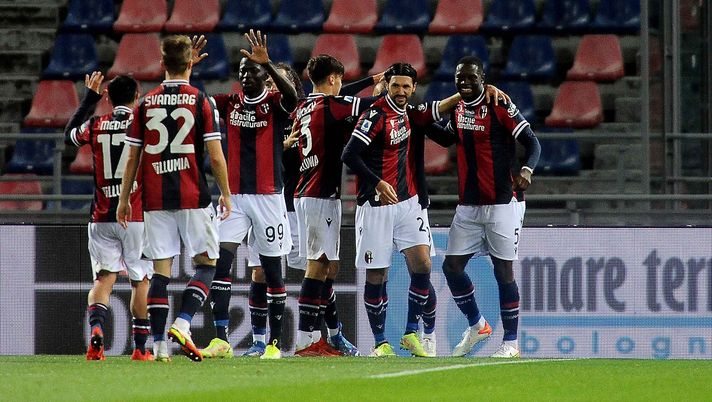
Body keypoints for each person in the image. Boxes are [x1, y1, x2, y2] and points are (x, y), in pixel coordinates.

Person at [116, 35, 231, 362]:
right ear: (191, 63)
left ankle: (159, 347)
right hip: (193, 195)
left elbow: (132, 158)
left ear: (162, 63)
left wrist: (124, 200)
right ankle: (182, 323)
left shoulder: (145, 103)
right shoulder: (200, 101)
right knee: (208, 263)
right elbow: (217, 157)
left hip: (154, 198)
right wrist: (226, 193)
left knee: (161, 272)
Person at [341, 63, 460, 357]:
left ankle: (410, 332)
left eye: (407, 86)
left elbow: (438, 112)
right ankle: (381, 342)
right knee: (377, 275)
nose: (402, 91)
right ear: (387, 85)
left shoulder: (411, 114)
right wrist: (378, 182)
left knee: (423, 265)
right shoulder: (374, 115)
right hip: (376, 205)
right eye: (396, 86)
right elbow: (349, 154)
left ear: (414, 88)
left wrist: (468, 96)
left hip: (409, 202)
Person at [198, 30, 298, 361]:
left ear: (263, 77)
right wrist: (187, 71)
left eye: (250, 70)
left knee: (271, 272)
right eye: (242, 70)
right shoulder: (229, 103)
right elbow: (197, 104)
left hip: (269, 198)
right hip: (234, 197)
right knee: (220, 262)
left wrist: (267, 63)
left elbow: (294, 98)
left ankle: (273, 344)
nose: (244, 74)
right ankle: (221, 338)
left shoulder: (274, 102)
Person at [441, 56, 540, 358]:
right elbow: (445, 137)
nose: (466, 83)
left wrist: (526, 171)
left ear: (482, 78)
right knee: (451, 267)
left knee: (503, 271)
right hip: (469, 206)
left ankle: (510, 343)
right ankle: (477, 324)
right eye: (460, 78)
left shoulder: (500, 106)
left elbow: (532, 142)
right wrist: (415, 120)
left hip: (502, 203)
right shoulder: (457, 109)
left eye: (471, 78)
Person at [291, 54, 384, 357]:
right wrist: (381, 93)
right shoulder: (333, 105)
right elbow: (372, 108)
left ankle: (330, 336)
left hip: (306, 191)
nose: (342, 85)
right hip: (320, 194)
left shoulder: (305, 105)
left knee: (330, 266)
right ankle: (306, 340)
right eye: (340, 79)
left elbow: (344, 97)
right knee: (318, 265)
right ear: (332, 79)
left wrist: (371, 80)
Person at [65, 71, 154, 361]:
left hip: (101, 215)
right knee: (140, 281)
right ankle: (141, 348)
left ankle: (96, 333)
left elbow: (69, 136)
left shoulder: (96, 124)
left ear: (108, 97)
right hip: (136, 214)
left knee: (103, 280)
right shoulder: (144, 125)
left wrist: (89, 98)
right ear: (137, 96)